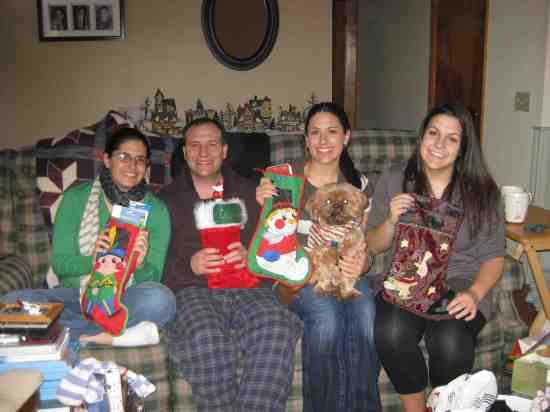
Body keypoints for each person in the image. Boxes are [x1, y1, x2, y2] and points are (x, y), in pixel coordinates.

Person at [366, 103, 505, 412]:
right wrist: (390, 220)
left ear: (463, 147)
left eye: (452, 138)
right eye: (433, 133)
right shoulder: (394, 178)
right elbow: (371, 245)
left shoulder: (484, 191)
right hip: (406, 278)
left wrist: (475, 293)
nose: (439, 144)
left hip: (462, 281)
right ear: (421, 137)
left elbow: (494, 256)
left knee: (449, 340)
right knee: (390, 332)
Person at [159, 118, 302, 412]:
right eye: (194, 145)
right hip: (193, 290)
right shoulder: (164, 200)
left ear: (224, 150)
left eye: (212, 144)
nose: (203, 152)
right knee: (207, 339)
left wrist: (252, 255)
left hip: (250, 288)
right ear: (184, 153)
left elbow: (280, 245)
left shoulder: (254, 191)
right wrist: (189, 265)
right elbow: (152, 264)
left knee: (277, 326)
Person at [256, 102, 381, 412]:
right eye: (315, 132)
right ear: (306, 139)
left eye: (332, 132)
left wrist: (362, 263)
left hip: (346, 275)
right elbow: (266, 238)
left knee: (366, 318)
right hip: (294, 275)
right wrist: (259, 201)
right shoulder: (284, 177)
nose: (323, 141)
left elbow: (363, 243)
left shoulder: (360, 185)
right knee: (327, 320)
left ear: (346, 137)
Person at [1, 127, 175, 347]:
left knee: (161, 299)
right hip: (76, 296)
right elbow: (61, 265)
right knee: (11, 303)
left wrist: (139, 265)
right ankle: (117, 335)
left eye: (140, 160)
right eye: (124, 157)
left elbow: (153, 277)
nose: (132, 166)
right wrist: (93, 260)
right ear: (107, 160)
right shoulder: (76, 198)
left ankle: (66, 335)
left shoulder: (156, 210)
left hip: (124, 298)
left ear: (146, 166)